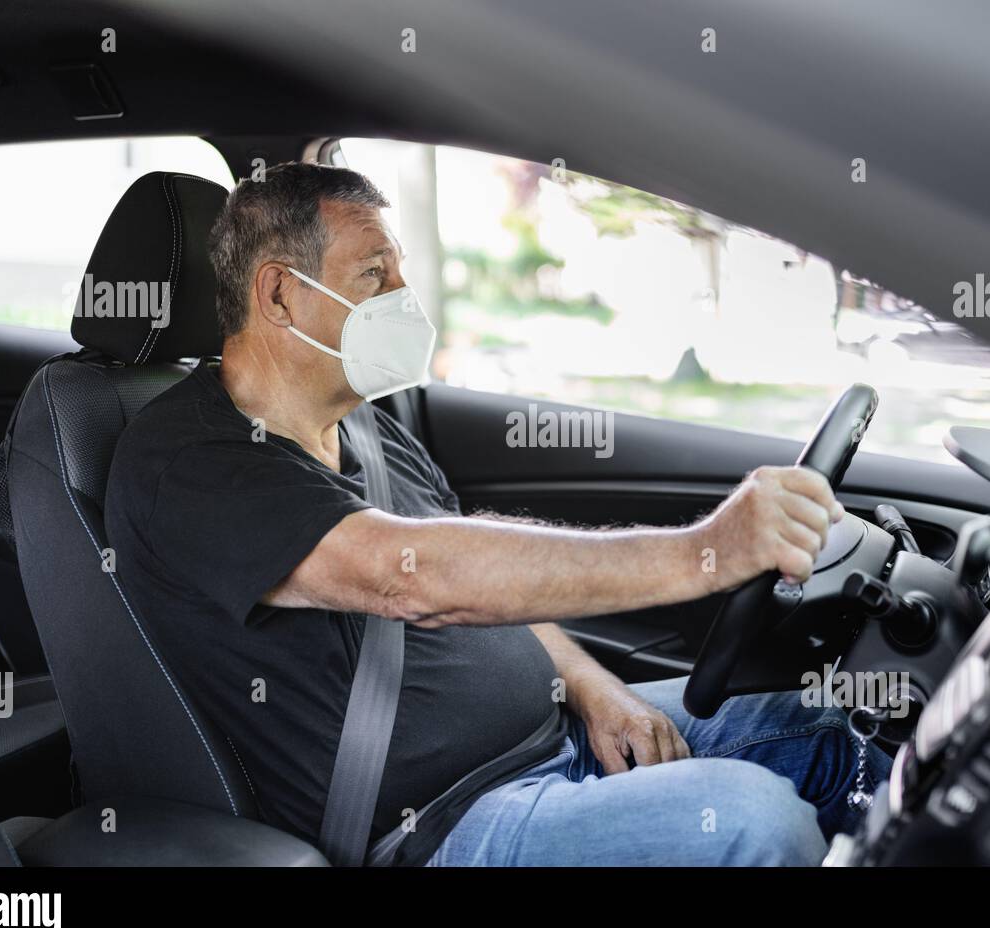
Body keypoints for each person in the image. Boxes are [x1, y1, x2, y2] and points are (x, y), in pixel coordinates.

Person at [104, 162, 892, 867]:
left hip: (560, 738)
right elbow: (412, 577)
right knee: (753, 825)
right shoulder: (192, 461)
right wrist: (707, 553)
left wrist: (591, 687)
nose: (404, 299)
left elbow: (498, 590)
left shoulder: (367, 429)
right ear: (279, 293)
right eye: (375, 274)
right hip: (439, 826)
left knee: (830, 719)